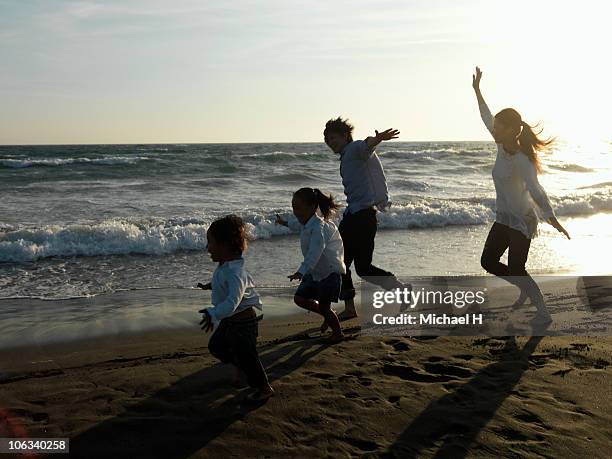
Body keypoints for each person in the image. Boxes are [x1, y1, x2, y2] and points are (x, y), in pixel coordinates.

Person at [472, 66, 570, 324]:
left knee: (517, 267)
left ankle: (543, 312)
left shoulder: (522, 161)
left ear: (511, 130)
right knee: (488, 261)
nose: (494, 129)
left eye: (499, 127)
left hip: (523, 220)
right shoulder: (500, 144)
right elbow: (485, 115)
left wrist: (551, 218)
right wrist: (477, 90)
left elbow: (537, 191)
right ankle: (523, 288)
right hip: (504, 217)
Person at [323, 118, 408, 320]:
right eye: (326, 139)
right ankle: (399, 289)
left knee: (340, 261)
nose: (329, 142)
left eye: (332, 138)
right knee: (361, 268)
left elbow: (366, 144)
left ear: (345, 136)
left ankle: (352, 308)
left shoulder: (354, 149)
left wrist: (377, 139)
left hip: (361, 217)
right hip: (359, 216)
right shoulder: (346, 156)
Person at [199, 214, 274, 402]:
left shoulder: (235, 273)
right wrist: (210, 285)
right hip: (230, 321)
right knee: (216, 347)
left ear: (225, 245)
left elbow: (233, 301)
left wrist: (213, 312)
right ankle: (241, 366)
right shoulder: (226, 266)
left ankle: (265, 388)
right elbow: (222, 282)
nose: (207, 248)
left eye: (211, 243)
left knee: (249, 358)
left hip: (243, 324)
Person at [276, 187, 346, 342]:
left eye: (298, 208)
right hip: (315, 272)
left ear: (312, 207)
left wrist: (301, 271)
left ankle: (338, 333)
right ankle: (327, 315)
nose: (295, 211)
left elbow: (315, 253)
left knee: (324, 306)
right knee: (300, 299)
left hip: (329, 273)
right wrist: (283, 223)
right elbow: (296, 224)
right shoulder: (305, 222)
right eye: (293, 208)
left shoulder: (318, 228)